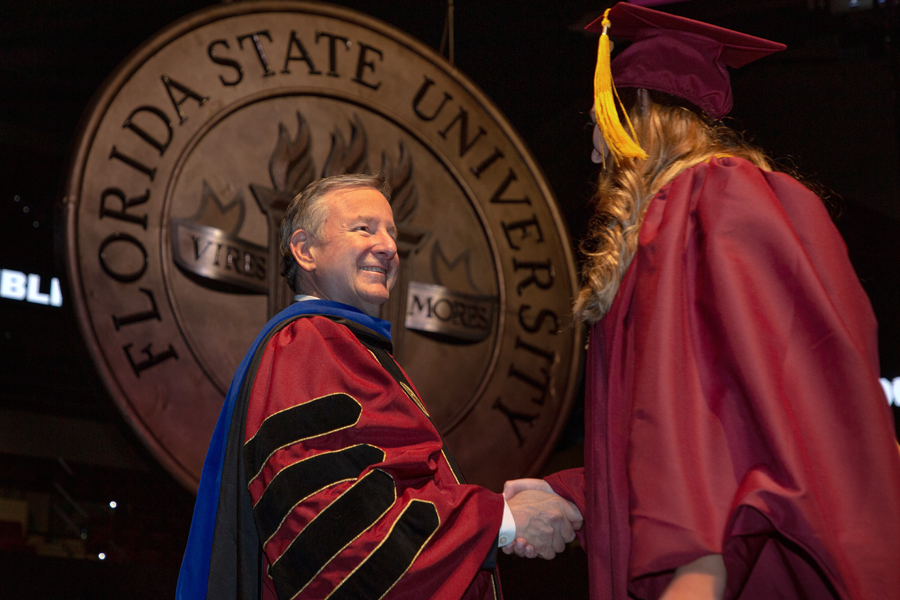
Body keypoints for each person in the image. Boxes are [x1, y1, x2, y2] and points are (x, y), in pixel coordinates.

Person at [504, 3, 900, 599]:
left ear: (638, 117)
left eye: (597, 123)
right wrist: (574, 496)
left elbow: (749, 434)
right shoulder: (664, 230)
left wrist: (695, 567)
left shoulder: (714, 198)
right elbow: (685, 433)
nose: (594, 151)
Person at [175, 173, 583, 600]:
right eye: (363, 228)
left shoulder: (342, 347)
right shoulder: (309, 346)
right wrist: (500, 520)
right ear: (305, 250)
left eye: (392, 233)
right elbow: (338, 540)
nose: (388, 246)